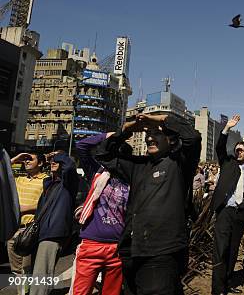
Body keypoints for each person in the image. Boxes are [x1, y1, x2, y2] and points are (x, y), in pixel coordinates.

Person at [94, 113, 201, 295]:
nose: (150, 138)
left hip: (162, 253)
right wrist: (125, 131)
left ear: (171, 140)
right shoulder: (138, 166)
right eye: (147, 134)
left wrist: (161, 119)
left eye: (156, 133)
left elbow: (193, 137)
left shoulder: (179, 164)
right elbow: (102, 154)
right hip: (132, 251)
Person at [70, 132, 130, 295]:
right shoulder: (97, 172)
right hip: (91, 244)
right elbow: (81, 146)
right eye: (114, 154)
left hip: (116, 249)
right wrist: (109, 135)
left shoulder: (131, 180)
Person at [211, 114, 244, 295]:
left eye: (242, 150)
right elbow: (219, 147)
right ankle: (217, 289)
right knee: (220, 250)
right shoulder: (227, 163)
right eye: (237, 149)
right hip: (225, 212)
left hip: (240, 214)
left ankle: (228, 283)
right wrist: (227, 129)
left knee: (232, 251)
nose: (238, 152)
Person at [31, 153, 77, 295]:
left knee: (41, 274)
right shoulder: (49, 184)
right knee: (38, 272)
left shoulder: (69, 185)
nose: (53, 162)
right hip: (41, 232)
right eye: (51, 161)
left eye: (56, 161)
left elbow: (69, 168)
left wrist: (60, 155)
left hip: (53, 234)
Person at [7, 153, 48, 278]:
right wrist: (15, 159)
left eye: (30, 159)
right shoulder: (19, 179)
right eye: (24, 160)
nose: (26, 162)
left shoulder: (46, 180)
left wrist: (26, 208)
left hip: (29, 231)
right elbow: (2, 170)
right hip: (13, 230)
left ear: (40, 163)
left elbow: (49, 202)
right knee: (16, 271)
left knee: (27, 270)